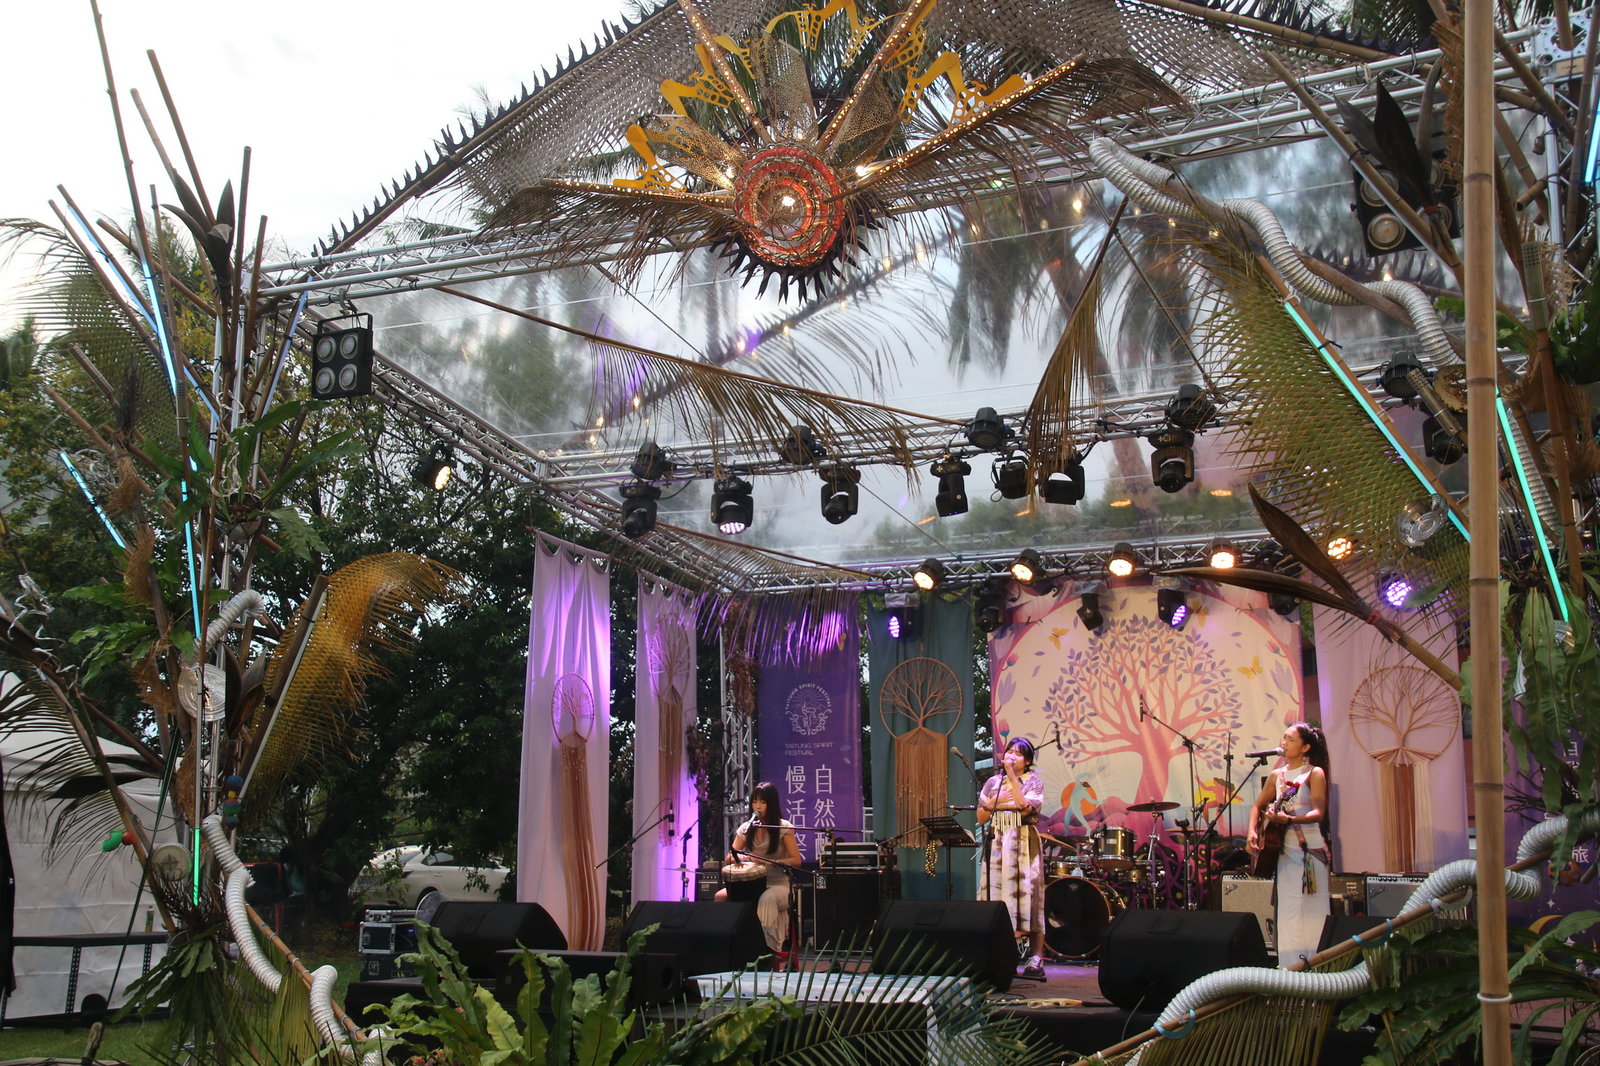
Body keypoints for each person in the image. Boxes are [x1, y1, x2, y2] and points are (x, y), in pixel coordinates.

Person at [1247, 722, 1331, 967]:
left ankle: (1317, 970)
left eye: (1290, 740)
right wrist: (1252, 831)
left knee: (1313, 913)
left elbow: (1318, 812)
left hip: (1310, 853)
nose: (1283, 743)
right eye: (1283, 738)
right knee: (1289, 912)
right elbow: (1257, 806)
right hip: (1284, 854)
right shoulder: (1277, 775)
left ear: (1305, 747)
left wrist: (1290, 820)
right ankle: (1290, 969)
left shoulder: (1314, 773)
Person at [976, 737, 1046, 979]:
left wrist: (1010, 785)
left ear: (1027, 761)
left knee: (1030, 896)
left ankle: (1036, 957)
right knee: (995, 896)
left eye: (1019, 753)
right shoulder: (993, 782)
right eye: (1010, 751)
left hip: (1023, 841)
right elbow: (981, 816)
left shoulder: (1033, 781)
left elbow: (1025, 807)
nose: (1012, 756)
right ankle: (997, 955)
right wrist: (999, 803)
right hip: (997, 841)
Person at [720, 781, 802, 969]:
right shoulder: (747, 827)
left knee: (767, 899)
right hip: (753, 884)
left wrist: (771, 862)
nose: (757, 806)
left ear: (771, 804)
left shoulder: (783, 827)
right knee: (721, 896)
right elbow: (729, 857)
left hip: (779, 885)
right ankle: (727, 948)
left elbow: (796, 860)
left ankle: (762, 955)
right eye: (755, 801)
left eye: (762, 802)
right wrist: (746, 857)